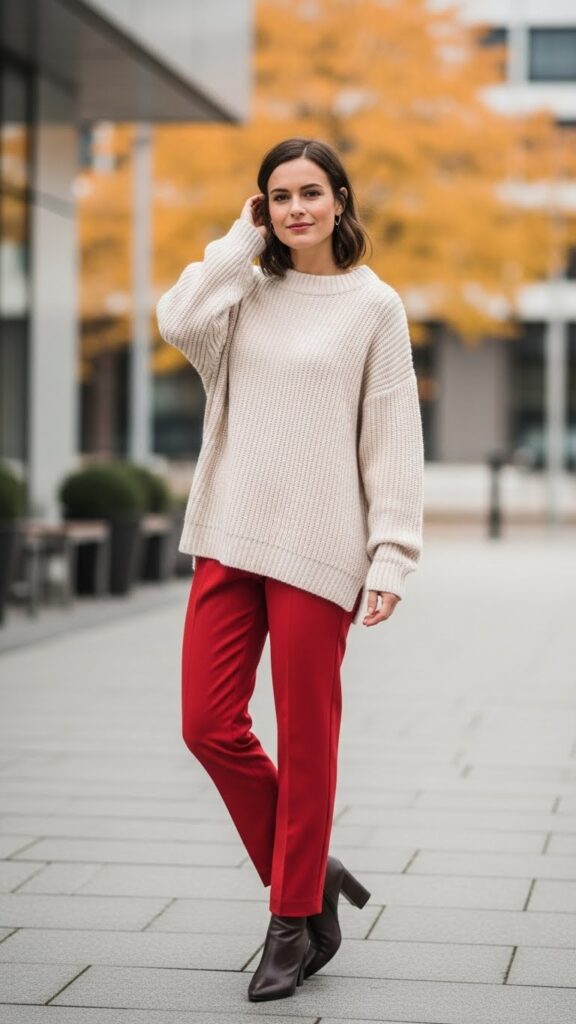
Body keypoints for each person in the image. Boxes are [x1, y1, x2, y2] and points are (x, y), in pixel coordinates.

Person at [156, 136, 424, 1002]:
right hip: (231, 533)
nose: (297, 208)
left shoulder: (374, 307)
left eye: (312, 192)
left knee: (309, 742)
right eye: (279, 197)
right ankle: (310, 871)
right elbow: (176, 318)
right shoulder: (244, 289)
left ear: (341, 200)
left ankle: (290, 920)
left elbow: (391, 440)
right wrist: (237, 245)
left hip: (320, 549)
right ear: (261, 207)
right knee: (207, 722)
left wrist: (392, 553)